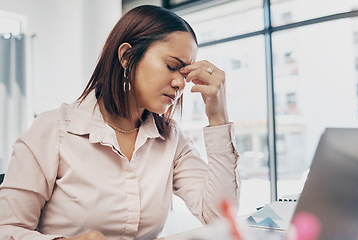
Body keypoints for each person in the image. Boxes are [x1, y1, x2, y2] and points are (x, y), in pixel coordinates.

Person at [0, 5, 240, 240]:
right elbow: (6, 228)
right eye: (171, 66)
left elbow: (220, 218)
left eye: (185, 74)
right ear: (126, 56)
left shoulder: (172, 139)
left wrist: (218, 118)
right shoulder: (54, 130)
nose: (180, 83)